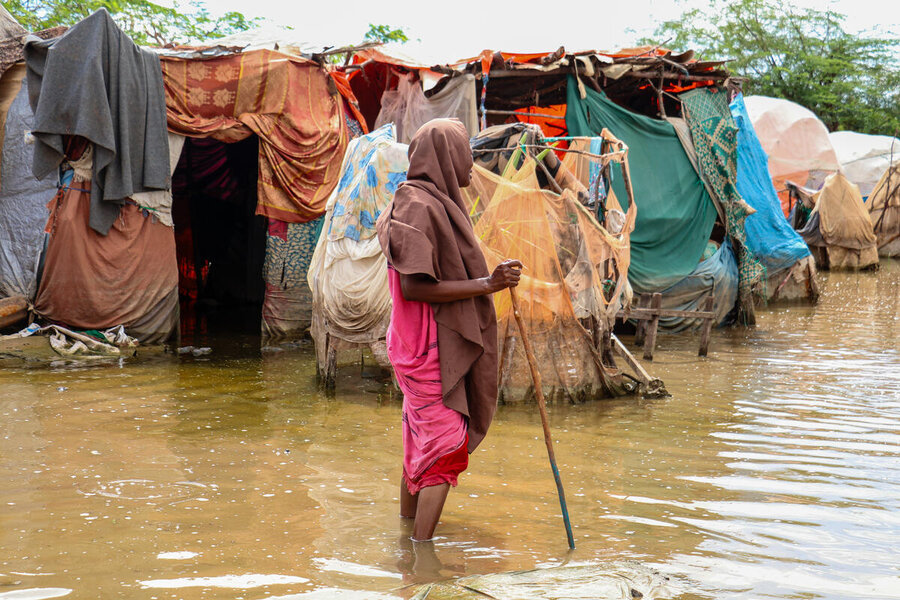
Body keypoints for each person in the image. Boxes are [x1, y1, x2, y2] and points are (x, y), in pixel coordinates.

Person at [376, 119, 522, 542]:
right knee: (444, 448)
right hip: (426, 348)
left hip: (412, 343)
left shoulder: (422, 201)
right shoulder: (419, 206)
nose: (472, 169)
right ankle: (422, 559)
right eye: (466, 157)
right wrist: (487, 285)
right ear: (446, 158)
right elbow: (414, 285)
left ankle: (406, 542)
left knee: (419, 440)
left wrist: (488, 279)